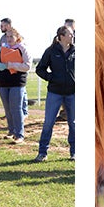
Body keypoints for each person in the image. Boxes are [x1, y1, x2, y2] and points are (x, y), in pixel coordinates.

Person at [33, 25, 75, 162]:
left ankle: (74, 152)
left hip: (73, 93)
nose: (72, 35)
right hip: (54, 93)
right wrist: (52, 78)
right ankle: (42, 152)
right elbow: (40, 69)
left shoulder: (76, 51)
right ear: (62, 36)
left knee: (73, 123)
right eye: (70, 33)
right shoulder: (51, 51)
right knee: (48, 123)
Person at [0, 28, 31, 144]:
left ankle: (19, 134)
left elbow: (27, 66)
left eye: (11, 36)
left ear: (17, 37)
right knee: (8, 108)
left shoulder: (22, 49)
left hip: (17, 82)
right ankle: (11, 131)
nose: (9, 39)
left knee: (16, 108)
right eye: (7, 36)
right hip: (3, 82)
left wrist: (11, 64)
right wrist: (5, 66)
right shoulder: (2, 49)